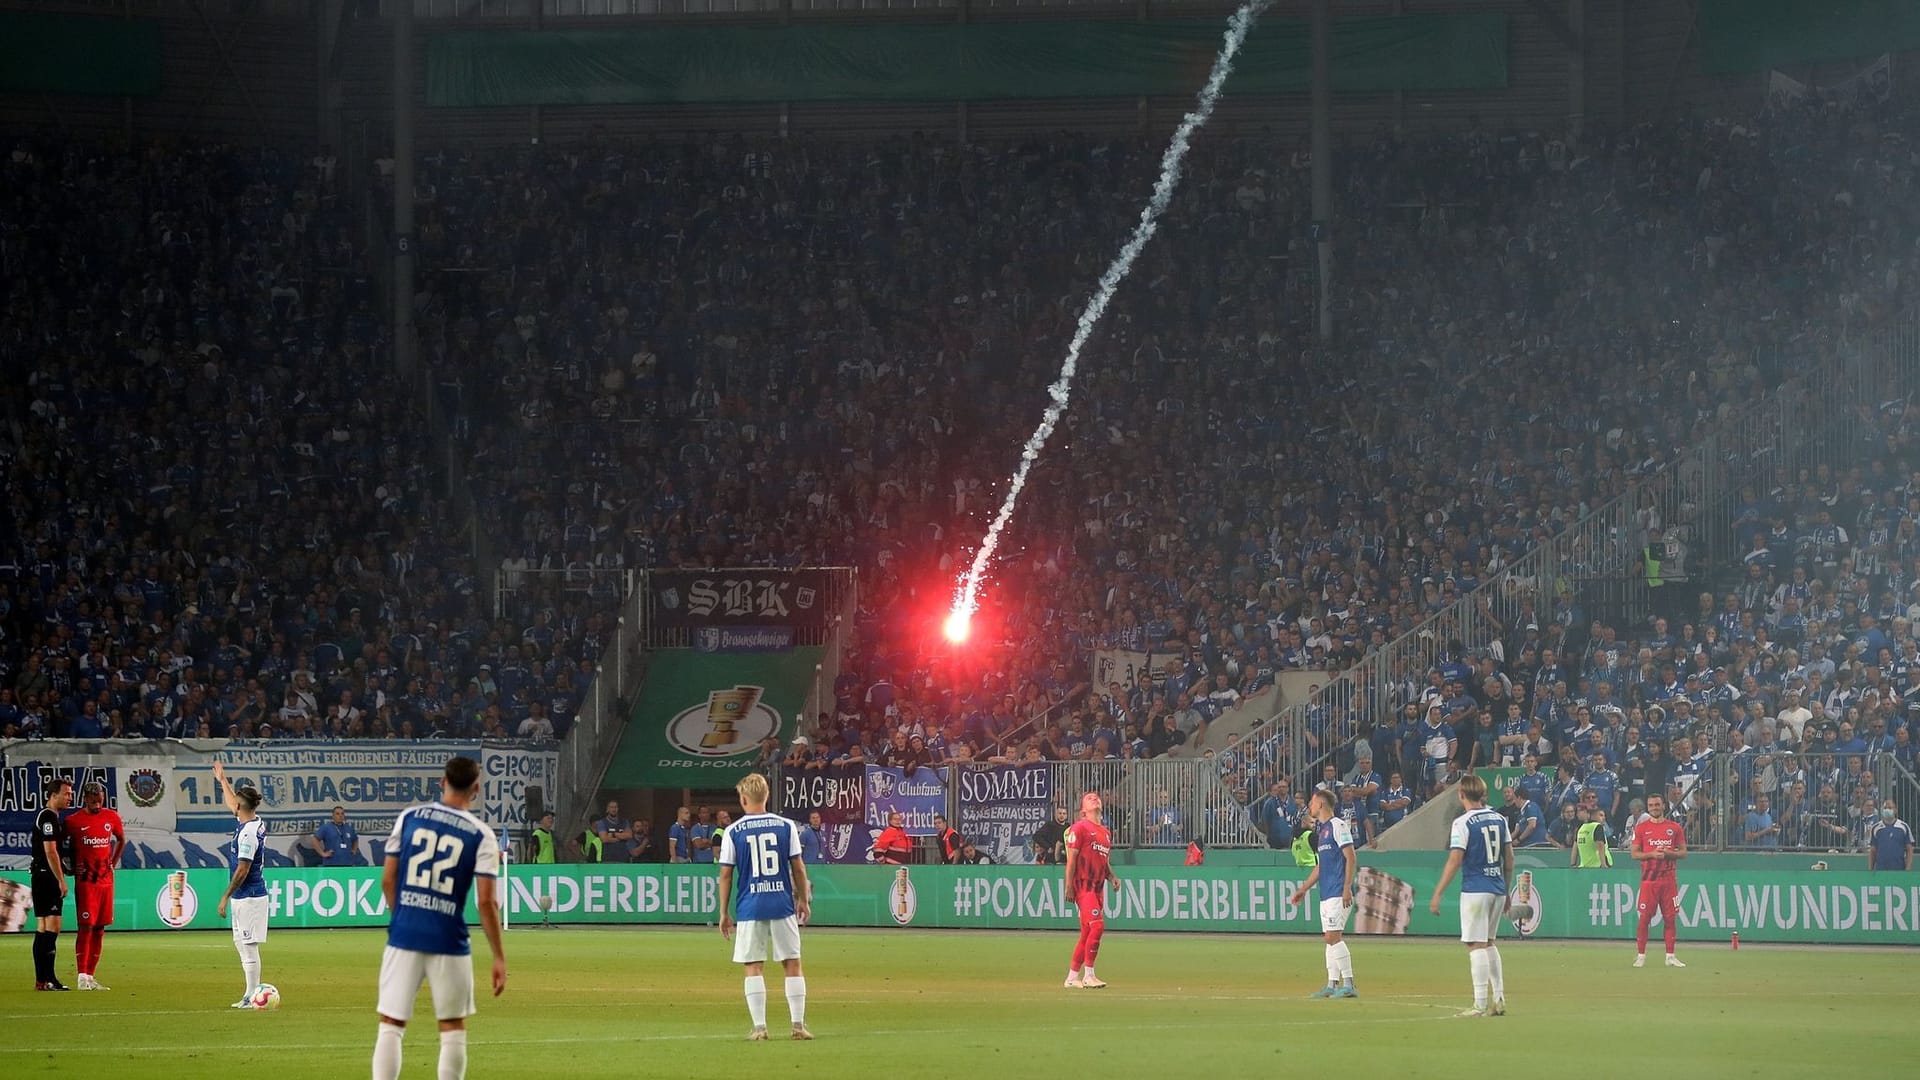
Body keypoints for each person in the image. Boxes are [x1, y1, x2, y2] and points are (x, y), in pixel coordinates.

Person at [372, 755, 508, 1080]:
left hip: (404, 934)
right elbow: (486, 901)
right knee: (452, 1027)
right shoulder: (482, 835)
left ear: (442, 781)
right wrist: (499, 956)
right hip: (449, 938)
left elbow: (388, 880)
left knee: (391, 1023)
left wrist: (402, 918)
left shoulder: (409, 818)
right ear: (476, 788)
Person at [716, 773, 812, 1041]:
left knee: (753, 965)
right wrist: (803, 899)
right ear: (766, 796)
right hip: (781, 903)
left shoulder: (733, 831)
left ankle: (760, 1028)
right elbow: (798, 867)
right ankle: (797, 1026)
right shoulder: (786, 826)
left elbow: (726, 875)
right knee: (792, 963)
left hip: (750, 906)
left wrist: (724, 913)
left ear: (743, 799)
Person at [1427, 773, 1511, 1018]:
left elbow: (1455, 860)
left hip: (1476, 889)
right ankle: (1499, 997)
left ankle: (1480, 1004)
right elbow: (1510, 858)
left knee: (1475, 945)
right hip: (1497, 887)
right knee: (1489, 943)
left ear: (1461, 794)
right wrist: (1506, 889)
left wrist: (1438, 892)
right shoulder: (1499, 819)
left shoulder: (1462, 823)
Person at [1288, 790, 1358, 999]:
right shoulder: (1322, 830)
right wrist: (1303, 889)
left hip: (1338, 890)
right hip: (1326, 892)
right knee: (1328, 938)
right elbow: (1320, 867)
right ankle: (1331, 984)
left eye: (1312, 802)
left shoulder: (1338, 825)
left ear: (1320, 804)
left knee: (1332, 936)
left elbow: (1351, 857)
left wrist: (1347, 887)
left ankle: (1349, 983)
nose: (1309, 806)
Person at [213, 760, 272, 1006]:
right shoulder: (252, 821)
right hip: (245, 897)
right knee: (241, 943)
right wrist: (222, 781)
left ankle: (251, 995)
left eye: (234, 804)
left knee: (248, 946)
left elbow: (242, 869)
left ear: (240, 806)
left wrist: (225, 895)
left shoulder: (248, 833)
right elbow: (232, 802)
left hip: (249, 896)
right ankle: (250, 993)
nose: (231, 806)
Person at [66, 781, 125, 990]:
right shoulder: (73, 821)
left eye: (99, 799)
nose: (97, 803)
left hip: (106, 882)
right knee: (86, 927)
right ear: (85, 799)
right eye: (93, 800)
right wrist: (70, 866)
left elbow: (121, 839)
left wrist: (113, 863)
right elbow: (60, 846)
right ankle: (81, 975)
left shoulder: (112, 817)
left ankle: (91, 976)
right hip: (86, 883)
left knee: (99, 929)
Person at [1063, 791, 1118, 989]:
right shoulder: (1079, 828)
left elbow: (1104, 862)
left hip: (1098, 887)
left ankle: (1071, 978)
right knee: (1097, 926)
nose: (1094, 798)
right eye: (1089, 798)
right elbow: (1072, 859)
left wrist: (1112, 877)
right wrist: (1069, 886)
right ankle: (1089, 975)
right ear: (1083, 811)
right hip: (1083, 885)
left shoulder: (1105, 832)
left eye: (1096, 797)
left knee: (1087, 933)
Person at [1631, 792, 1687, 968]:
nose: (1654, 808)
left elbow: (1684, 852)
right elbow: (1634, 854)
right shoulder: (1641, 828)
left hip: (1669, 881)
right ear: (1648, 807)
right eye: (1651, 805)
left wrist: (1669, 853)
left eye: (1657, 804)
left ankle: (1670, 956)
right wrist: (1651, 854)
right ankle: (1641, 956)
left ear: (1663, 806)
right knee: (1644, 919)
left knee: (1670, 918)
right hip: (1649, 882)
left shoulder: (1675, 828)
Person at [29, 777, 74, 991]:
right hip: (46, 876)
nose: (69, 797)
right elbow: (50, 851)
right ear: (53, 794)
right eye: (66, 793)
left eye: (70, 793)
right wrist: (61, 880)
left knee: (44, 927)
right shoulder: (47, 817)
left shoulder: (52, 817)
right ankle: (48, 979)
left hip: (41, 876)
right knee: (53, 927)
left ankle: (43, 980)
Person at [1867, 798, 1913, 871]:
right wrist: (1870, 869)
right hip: (1880, 869)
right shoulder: (1875, 828)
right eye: (1885, 808)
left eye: (1890, 808)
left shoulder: (1904, 827)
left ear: (1895, 810)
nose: (1887, 810)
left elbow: (1909, 849)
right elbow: (1873, 850)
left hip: (1899, 869)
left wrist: (1908, 869)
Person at [594, 800, 633, 864]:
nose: (613, 809)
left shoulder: (624, 821)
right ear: (607, 809)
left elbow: (629, 835)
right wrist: (621, 837)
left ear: (618, 809)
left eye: (615, 807)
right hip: (608, 860)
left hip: (623, 859)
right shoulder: (602, 822)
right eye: (611, 807)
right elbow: (604, 839)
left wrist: (614, 834)